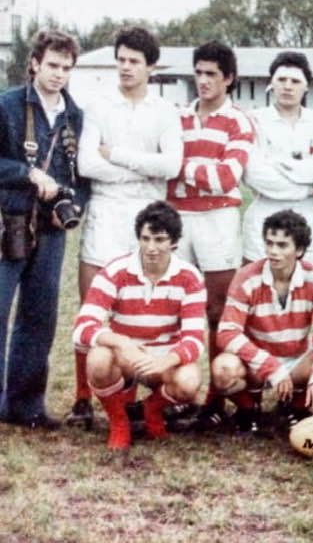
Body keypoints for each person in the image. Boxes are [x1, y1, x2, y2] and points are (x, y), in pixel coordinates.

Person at [68, 26, 183, 429]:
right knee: (94, 310)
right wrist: (141, 167)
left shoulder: (165, 111)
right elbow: (86, 165)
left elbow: (171, 166)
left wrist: (116, 155)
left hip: (147, 216)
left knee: (143, 308)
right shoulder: (99, 106)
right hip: (106, 213)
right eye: (121, 60)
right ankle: (83, 398)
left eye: (134, 61)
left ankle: (141, 398)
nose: (126, 68)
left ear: (151, 66)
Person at [0, 30, 88, 429]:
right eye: (52, 65)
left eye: (66, 68)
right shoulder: (7, 105)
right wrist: (27, 172)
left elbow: (81, 177)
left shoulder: (75, 116)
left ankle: (26, 406)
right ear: (35, 62)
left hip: (50, 229)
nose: (58, 74)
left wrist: (74, 205)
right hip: (8, 220)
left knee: (39, 317)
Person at [167, 41, 254, 429]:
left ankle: (217, 398)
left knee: (218, 309)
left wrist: (178, 166)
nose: (203, 81)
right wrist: (194, 169)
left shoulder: (238, 121)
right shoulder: (178, 117)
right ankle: (175, 392)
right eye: (198, 73)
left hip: (219, 219)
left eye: (211, 74)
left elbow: (226, 178)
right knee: (175, 307)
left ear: (229, 79)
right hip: (179, 217)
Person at [73, 202, 205, 450]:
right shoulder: (115, 270)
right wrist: (122, 343)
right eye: (145, 239)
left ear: (174, 242)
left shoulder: (190, 277)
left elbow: (195, 340)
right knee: (98, 358)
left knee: (189, 380)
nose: (151, 248)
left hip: (162, 357)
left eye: (160, 239)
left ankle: (150, 411)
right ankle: (119, 421)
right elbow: (82, 326)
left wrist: (164, 361)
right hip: (125, 356)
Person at [212, 210, 313, 434]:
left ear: (299, 250)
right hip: (257, 362)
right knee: (223, 369)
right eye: (269, 243)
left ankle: (296, 405)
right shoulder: (247, 276)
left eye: (282, 245)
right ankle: (249, 407)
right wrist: (270, 366)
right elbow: (227, 333)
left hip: (298, 360)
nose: (273, 251)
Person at [242, 51, 313, 266]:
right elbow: (254, 174)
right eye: (281, 79)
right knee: (260, 288)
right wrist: (307, 187)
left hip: (308, 215)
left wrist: (277, 164)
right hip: (264, 213)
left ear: (306, 86)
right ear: (271, 83)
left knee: (307, 286)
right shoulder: (254, 120)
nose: (287, 86)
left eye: (295, 81)